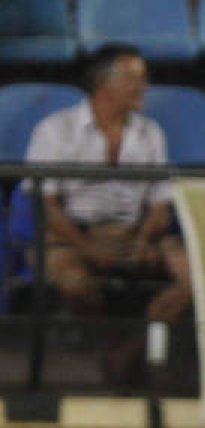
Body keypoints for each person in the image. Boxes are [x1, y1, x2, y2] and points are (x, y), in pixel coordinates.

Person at [25, 43, 192, 383]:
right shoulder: (55, 129)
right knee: (73, 281)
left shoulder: (150, 133)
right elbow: (49, 208)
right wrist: (88, 248)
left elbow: (160, 204)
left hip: (133, 234)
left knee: (196, 278)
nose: (143, 86)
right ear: (104, 83)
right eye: (134, 78)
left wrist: (146, 240)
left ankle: (127, 350)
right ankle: (106, 344)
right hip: (73, 235)